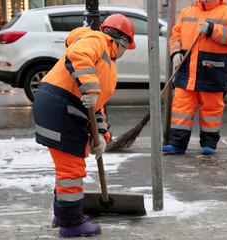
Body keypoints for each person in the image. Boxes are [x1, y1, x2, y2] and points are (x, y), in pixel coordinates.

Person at [32, 14, 135, 238]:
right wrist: (89, 87)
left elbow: (97, 106)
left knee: (68, 167)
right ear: (122, 41)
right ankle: (71, 224)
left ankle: (63, 214)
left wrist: (101, 135)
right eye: (128, 46)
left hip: (63, 107)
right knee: (71, 169)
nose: (126, 51)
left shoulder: (107, 62)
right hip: (61, 105)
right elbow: (77, 55)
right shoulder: (97, 40)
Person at [162, 0, 227, 155]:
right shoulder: (187, 13)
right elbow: (176, 34)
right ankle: (177, 143)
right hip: (187, 70)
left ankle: (209, 144)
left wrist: (212, 29)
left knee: (211, 109)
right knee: (181, 108)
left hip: (213, 70)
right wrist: (175, 52)